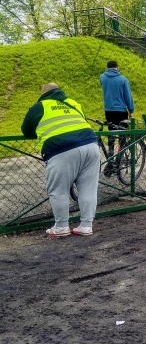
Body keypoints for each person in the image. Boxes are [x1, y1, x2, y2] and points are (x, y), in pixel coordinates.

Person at [21, 83, 100, 237]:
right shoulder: (73, 103)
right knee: (88, 189)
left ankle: (62, 227)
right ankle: (86, 226)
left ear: (43, 93)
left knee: (58, 190)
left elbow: (26, 130)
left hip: (61, 150)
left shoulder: (40, 106)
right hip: (91, 145)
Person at [100, 60, 135, 175]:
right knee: (122, 135)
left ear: (107, 67)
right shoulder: (123, 79)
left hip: (108, 111)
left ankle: (110, 156)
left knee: (111, 134)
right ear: (117, 67)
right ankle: (119, 158)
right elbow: (127, 96)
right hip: (120, 111)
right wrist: (131, 111)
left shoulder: (102, 78)